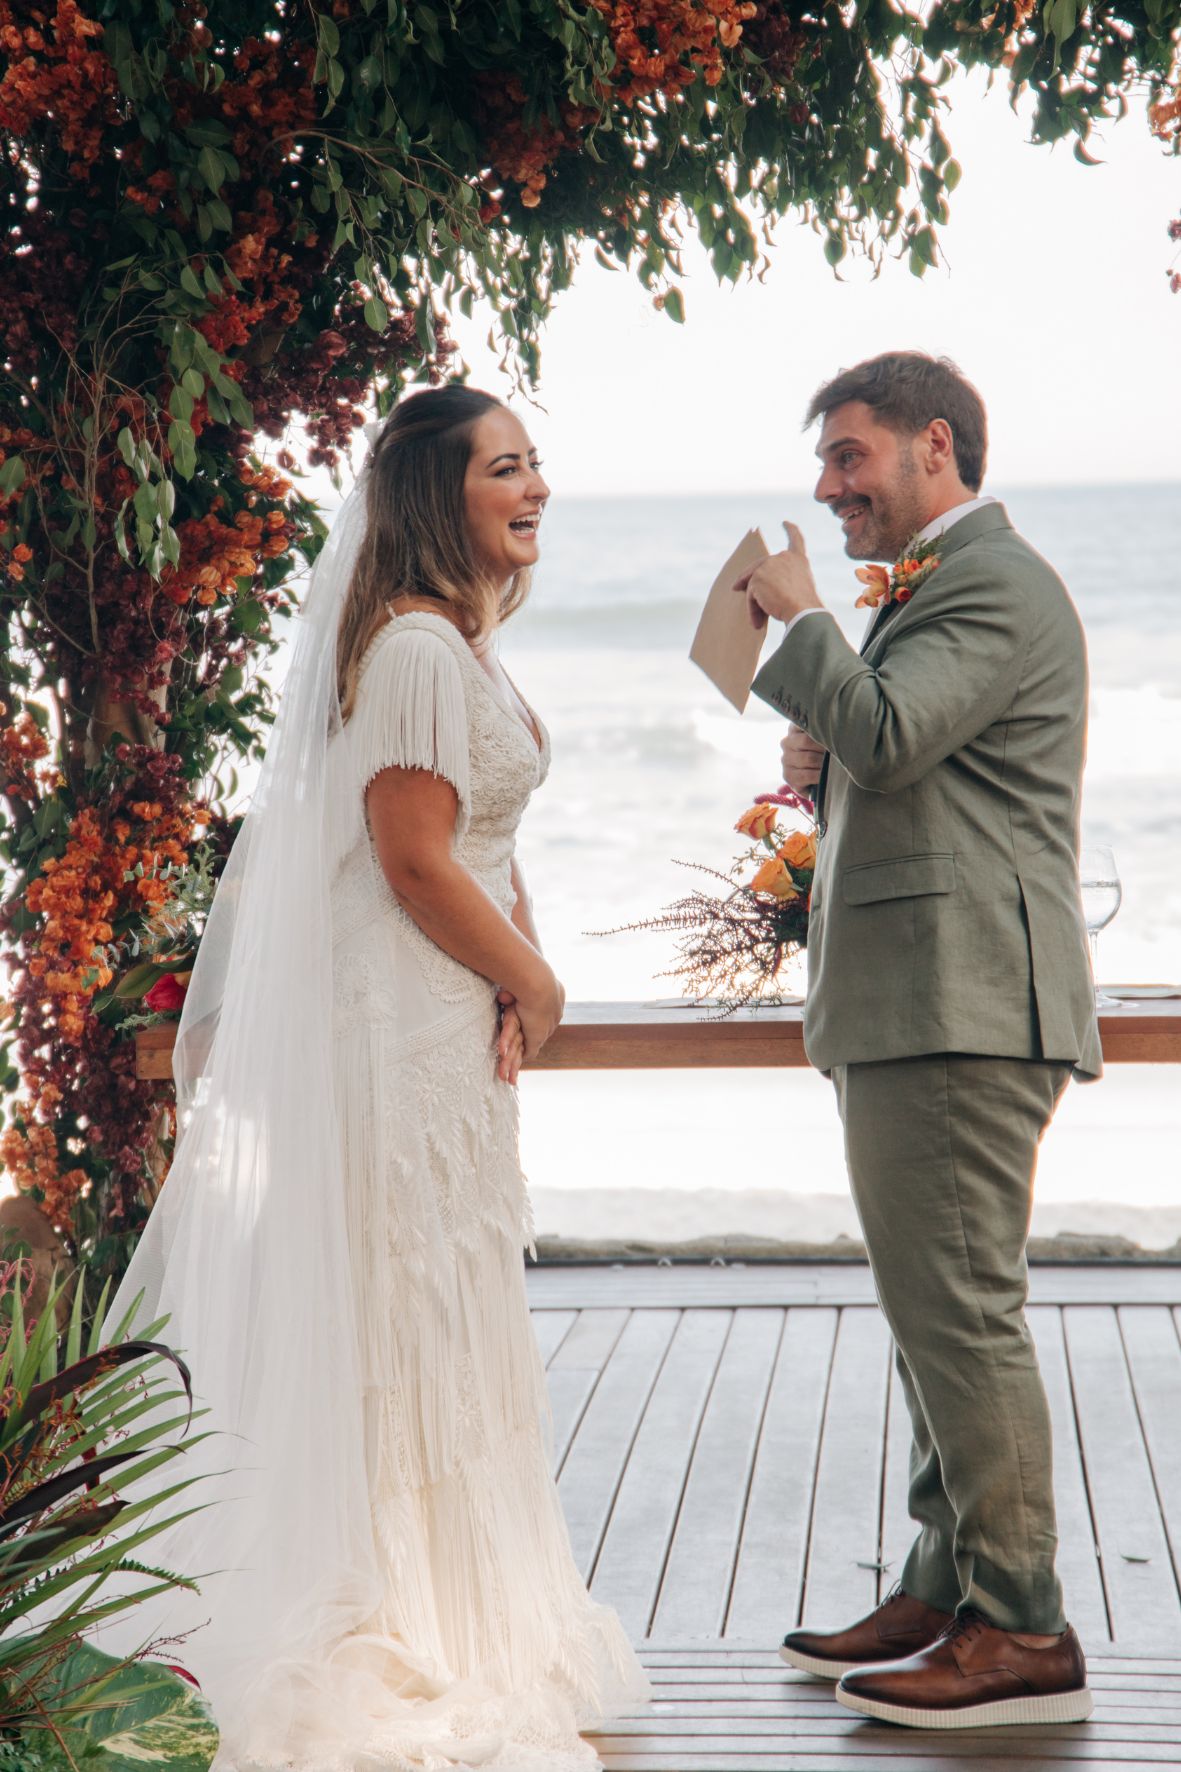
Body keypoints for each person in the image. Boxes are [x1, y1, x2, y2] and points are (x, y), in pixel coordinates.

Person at [101, 386, 648, 1770]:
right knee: (402, 1309)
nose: (533, 488)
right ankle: (397, 1613)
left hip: (439, 1021)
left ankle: (463, 1606)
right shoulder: (410, 645)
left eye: (537, 463)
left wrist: (515, 958)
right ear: (432, 496)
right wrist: (534, 980)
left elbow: (474, 842)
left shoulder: (455, 644)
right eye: (502, 469)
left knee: (440, 1300)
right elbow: (411, 858)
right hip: (398, 1031)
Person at [735, 352, 1101, 1730]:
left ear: (932, 447)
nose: (826, 490)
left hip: (959, 1006)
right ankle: (946, 1583)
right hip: (922, 999)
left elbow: (891, 736)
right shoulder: (951, 592)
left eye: (848, 459)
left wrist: (803, 630)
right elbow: (906, 762)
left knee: (958, 1314)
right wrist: (821, 756)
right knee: (928, 1312)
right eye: (826, 464)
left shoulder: (993, 582)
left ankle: (1018, 1627)